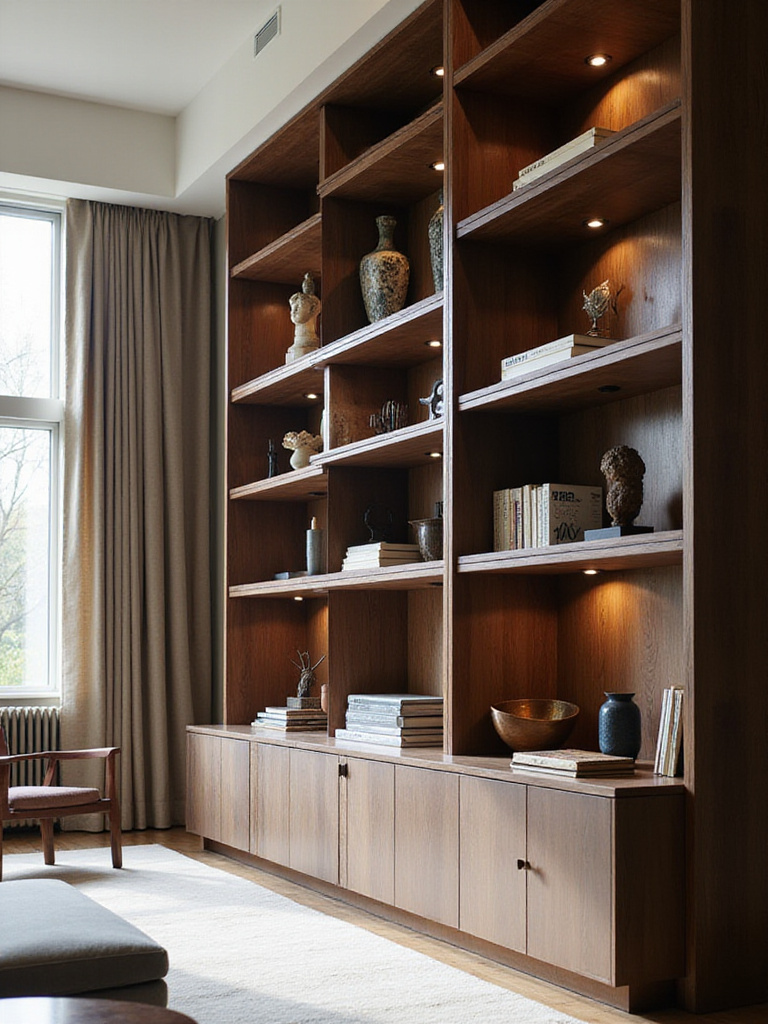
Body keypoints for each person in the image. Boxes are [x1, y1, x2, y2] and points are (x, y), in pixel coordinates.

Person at [286, 272, 321, 362]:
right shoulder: (299, 299)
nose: (293, 312)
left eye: (299, 307)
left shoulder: (313, 302)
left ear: (313, 308)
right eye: (293, 308)